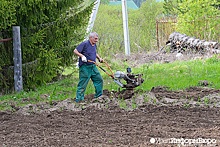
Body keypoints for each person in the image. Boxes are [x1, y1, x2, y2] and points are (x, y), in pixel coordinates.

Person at [73, 32, 103, 102]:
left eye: (97, 39)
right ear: (91, 38)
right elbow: (75, 51)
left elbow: (95, 53)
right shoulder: (85, 44)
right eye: (95, 39)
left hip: (93, 66)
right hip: (85, 67)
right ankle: (79, 100)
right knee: (83, 83)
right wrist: (82, 56)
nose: (96, 40)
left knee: (99, 80)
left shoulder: (94, 45)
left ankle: (99, 97)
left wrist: (99, 58)